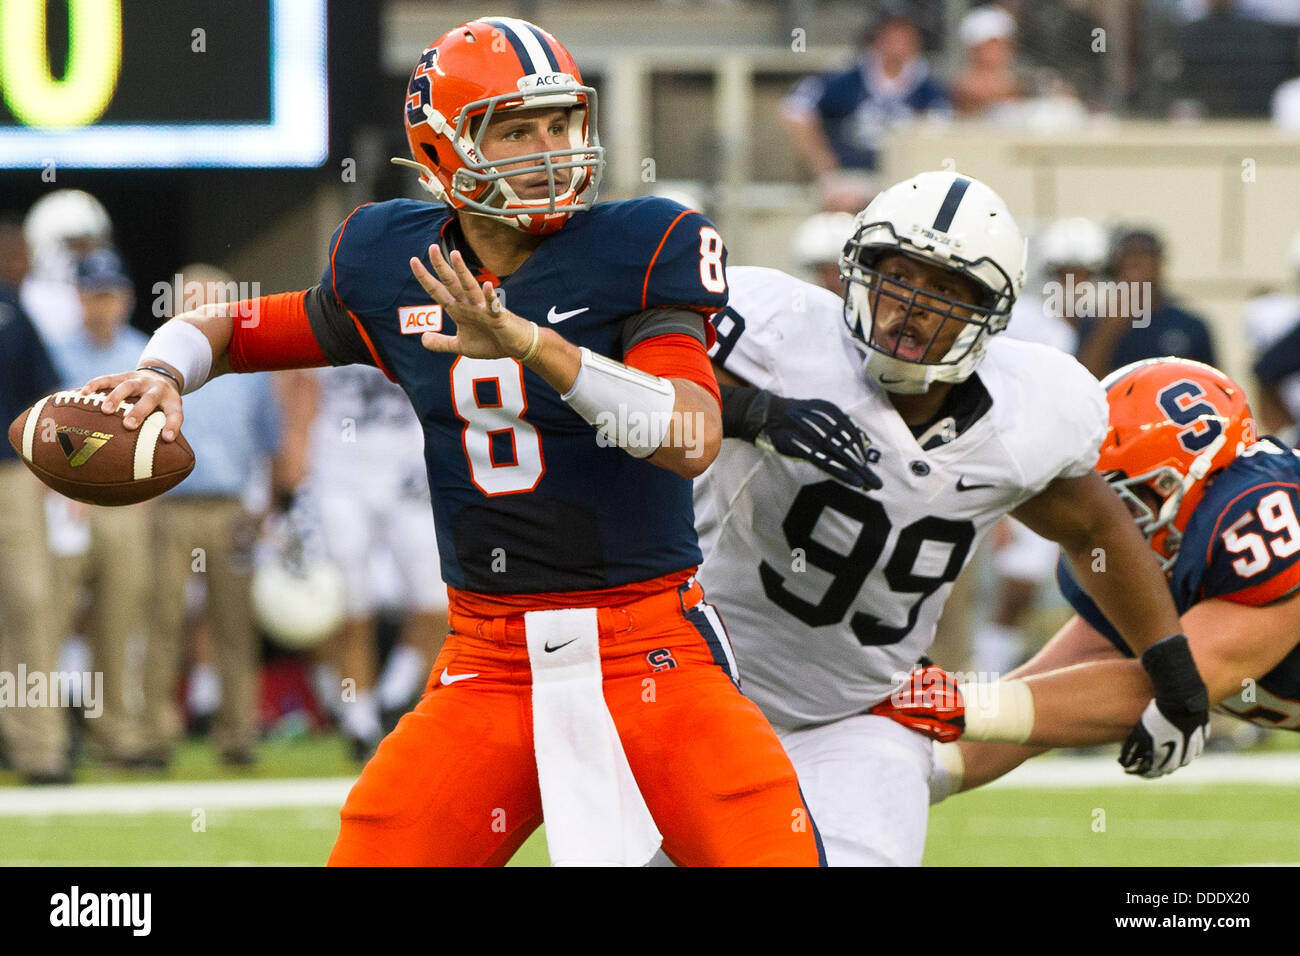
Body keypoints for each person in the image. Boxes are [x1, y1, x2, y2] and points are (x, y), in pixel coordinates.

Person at [76, 16, 823, 867]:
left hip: (649, 642)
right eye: (515, 130)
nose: (550, 149)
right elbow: (238, 327)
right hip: (490, 655)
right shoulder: (390, 258)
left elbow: (690, 433)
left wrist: (529, 342)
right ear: (443, 149)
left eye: (561, 123)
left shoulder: (641, 243)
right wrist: (164, 371)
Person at [694, 170, 1206, 865]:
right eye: (898, 277)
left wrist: (1172, 668)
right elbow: (635, 378)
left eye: (944, 290)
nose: (912, 307)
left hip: (860, 712)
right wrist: (746, 412)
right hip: (694, 688)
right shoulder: (776, 337)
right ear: (858, 272)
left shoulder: (1028, 415)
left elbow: (1095, 528)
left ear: (991, 314)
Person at [915, 358, 1300, 800]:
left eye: (1123, 501)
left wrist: (951, 705)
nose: (1104, 522)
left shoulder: (1262, 518)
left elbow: (1168, 689)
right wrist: (912, 770)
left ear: (1189, 480)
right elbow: (1045, 701)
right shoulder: (1165, 563)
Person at [140, 265, 285, 768]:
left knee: (235, 622)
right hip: (171, 506)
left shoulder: (250, 371)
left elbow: (269, 444)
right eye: (194, 301)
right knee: (162, 618)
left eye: (213, 303)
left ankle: (238, 733)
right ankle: (155, 736)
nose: (204, 313)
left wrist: (262, 507)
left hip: (230, 508)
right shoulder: (153, 365)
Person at [291, 362, 449, 757]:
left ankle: (392, 698)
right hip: (340, 478)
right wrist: (297, 470)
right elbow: (301, 397)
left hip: (410, 472)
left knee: (440, 600)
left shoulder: (420, 313)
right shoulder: (331, 312)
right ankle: (360, 720)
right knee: (350, 606)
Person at [45, 249, 155, 765]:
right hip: (65, 504)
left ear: (126, 297)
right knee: (49, 618)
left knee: (119, 620)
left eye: (110, 294)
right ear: (78, 297)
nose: (101, 304)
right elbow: (43, 434)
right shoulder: (54, 353)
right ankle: (44, 734)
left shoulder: (146, 357)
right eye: (93, 294)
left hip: (126, 506)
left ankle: (114, 733)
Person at [0, 277, 72, 784]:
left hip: (9, 476)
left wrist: (50, 462)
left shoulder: (7, 303)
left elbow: (47, 388)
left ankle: (41, 747)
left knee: (29, 604)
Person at [779, 11, 949, 212]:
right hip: (851, 176)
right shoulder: (846, 79)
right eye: (892, 34)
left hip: (907, 179)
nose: (898, 42)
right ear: (877, 37)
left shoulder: (930, 89)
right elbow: (795, 108)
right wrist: (824, 165)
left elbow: (944, 133)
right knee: (844, 200)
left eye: (905, 35)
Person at [1075, 229, 1216, 379]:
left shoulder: (1189, 325)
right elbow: (1083, 379)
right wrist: (1108, 329)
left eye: (1142, 260)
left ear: (1159, 265)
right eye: (1127, 261)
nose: (1135, 270)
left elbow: (1212, 384)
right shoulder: (1095, 322)